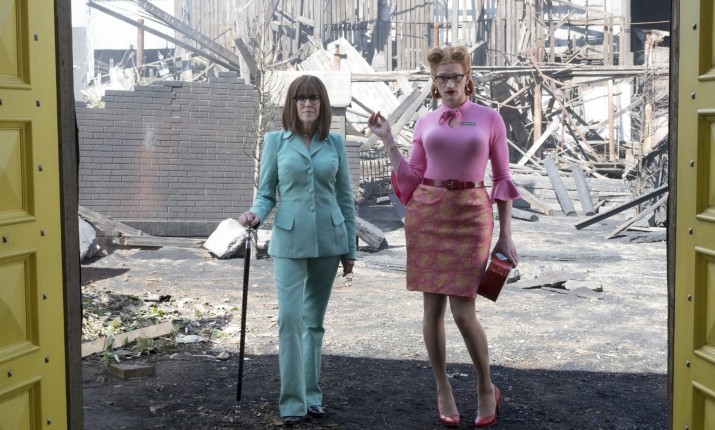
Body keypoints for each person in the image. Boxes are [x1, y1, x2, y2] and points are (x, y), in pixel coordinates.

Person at [367, 45, 520, 429]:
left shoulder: (490, 119)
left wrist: (506, 236)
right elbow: (412, 178)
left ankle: (486, 387)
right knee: (432, 309)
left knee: (463, 311)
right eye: (442, 77)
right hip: (428, 214)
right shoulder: (425, 123)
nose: (449, 83)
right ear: (433, 82)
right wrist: (388, 139)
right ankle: (443, 388)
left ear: (467, 78)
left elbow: (502, 179)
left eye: (455, 76)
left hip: (471, 215)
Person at [238, 74, 357, 426]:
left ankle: (312, 395)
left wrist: (350, 249)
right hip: (289, 241)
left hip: (330, 241)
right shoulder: (275, 141)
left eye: (313, 98)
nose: (307, 103)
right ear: (292, 104)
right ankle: (292, 401)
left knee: (313, 323)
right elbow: (265, 194)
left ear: (322, 104)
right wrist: (255, 214)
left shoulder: (335, 143)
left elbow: (345, 199)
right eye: (300, 98)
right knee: (289, 319)